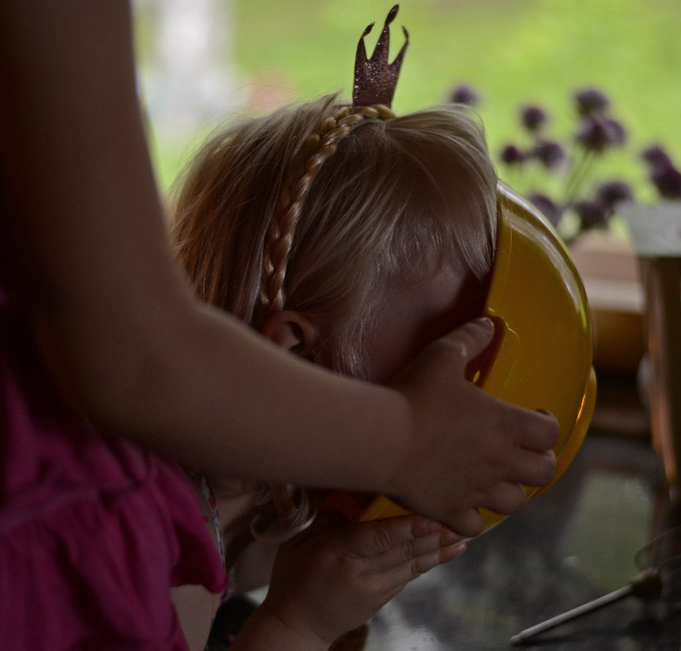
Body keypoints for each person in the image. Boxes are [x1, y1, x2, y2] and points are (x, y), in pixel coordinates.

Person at [0, 1, 558, 648]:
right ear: (295, 355)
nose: (468, 399)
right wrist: (299, 622)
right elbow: (134, 355)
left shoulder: (247, 511)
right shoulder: (168, 537)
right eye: (454, 351)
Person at [169, 95, 501, 648]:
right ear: (295, 355)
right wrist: (299, 624)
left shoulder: (261, 494)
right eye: (446, 340)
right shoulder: (171, 548)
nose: (468, 374)